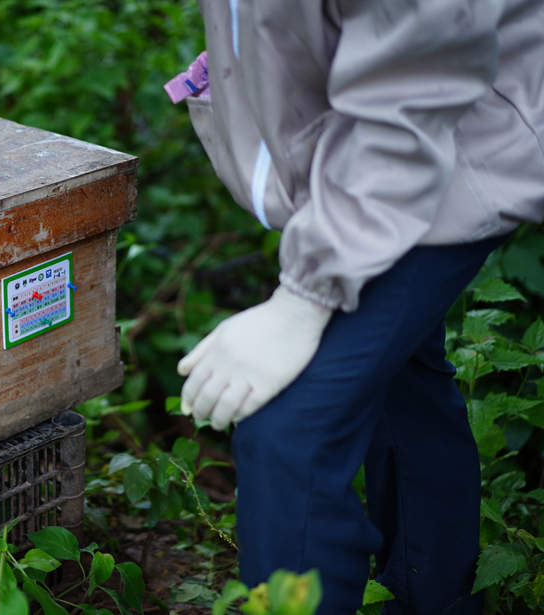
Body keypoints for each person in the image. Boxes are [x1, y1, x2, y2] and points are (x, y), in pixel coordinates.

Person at [175, 1, 544, 613]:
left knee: (289, 429)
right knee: (402, 387)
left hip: (436, 158)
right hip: (371, 166)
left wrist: (304, 298)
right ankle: (437, 598)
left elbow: (415, 91)